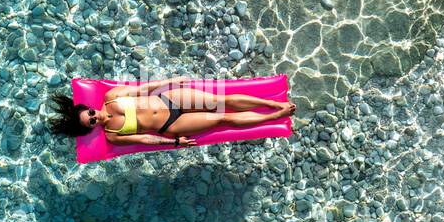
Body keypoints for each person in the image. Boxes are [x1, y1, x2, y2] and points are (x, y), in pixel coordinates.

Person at [48, 77, 295, 146]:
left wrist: (172, 82)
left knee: (222, 100)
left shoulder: (111, 97)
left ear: (89, 108)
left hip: (168, 99)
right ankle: (272, 116)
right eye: (91, 122)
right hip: (171, 126)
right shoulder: (112, 134)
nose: (94, 117)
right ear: (90, 127)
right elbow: (144, 139)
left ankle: (275, 104)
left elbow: (145, 87)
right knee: (223, 117)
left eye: (90, 113)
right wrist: (174, 142)